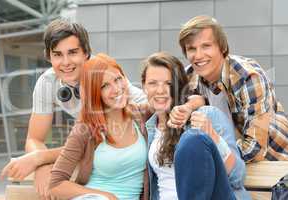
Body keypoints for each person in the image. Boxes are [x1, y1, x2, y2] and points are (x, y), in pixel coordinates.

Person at [0, 18, 145, 199]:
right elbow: (34, 138)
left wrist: (41, 157)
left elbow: (146, 115)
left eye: (73, 52)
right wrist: (44, 166)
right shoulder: (47, 82)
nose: (66, 62)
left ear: (86, 53)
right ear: (49, 57)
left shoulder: (107, 76)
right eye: (57, 54)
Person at [178, 15, 288, 162]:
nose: (198, 55)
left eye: (206, 46)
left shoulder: (247, 76)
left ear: (222, 47)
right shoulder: (188, 77)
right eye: (191, 48)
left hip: (272, 169)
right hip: (224, 168)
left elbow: (254, 150)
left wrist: (210, 160)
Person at [141, 52, 250, 199]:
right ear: (143, 87)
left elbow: (238, 176)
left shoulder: (207, 115)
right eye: (153, 83)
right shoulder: (149, 127)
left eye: (168, 84)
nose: (160, 90)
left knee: (193, 139)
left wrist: (213, 136)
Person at [49, 53, 149, 200]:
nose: (116, 89)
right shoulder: (85, 128)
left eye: (118, 79)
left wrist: (194, 103)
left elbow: (171, 105)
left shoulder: (140, 115)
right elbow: (55, 185)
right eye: (105, 86)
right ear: (95, 93)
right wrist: (106, 196)